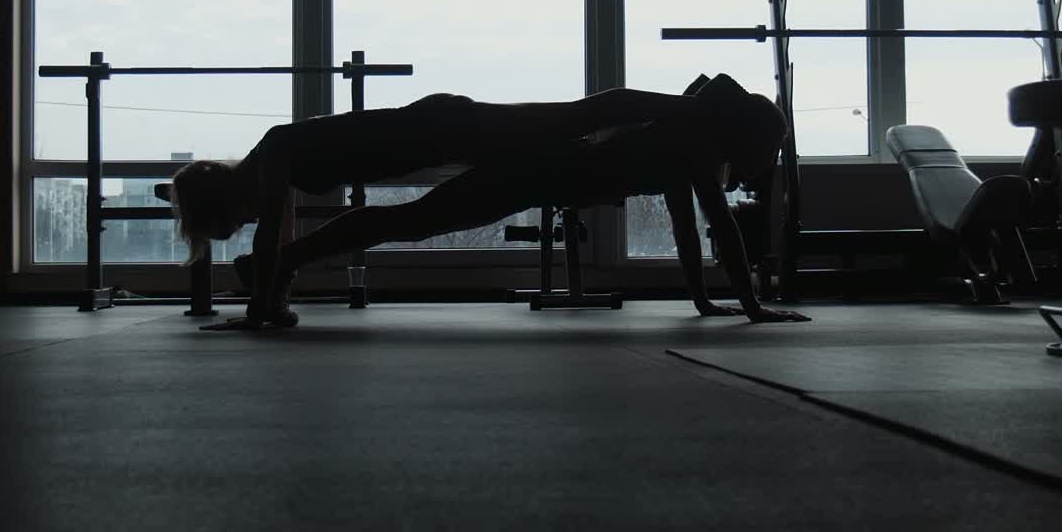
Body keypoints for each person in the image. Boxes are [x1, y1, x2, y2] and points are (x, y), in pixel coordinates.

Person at [171, 74, 808, 329]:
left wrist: (707, 299)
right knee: (411, 221)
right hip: (471, 142)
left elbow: (695, 220)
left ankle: (276, 272)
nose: (251, 223)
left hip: (481, 147)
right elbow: (276, 240)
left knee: (569, 120)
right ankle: (272, 276)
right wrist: (265, 298)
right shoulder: (271, 167)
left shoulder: (275, 151)